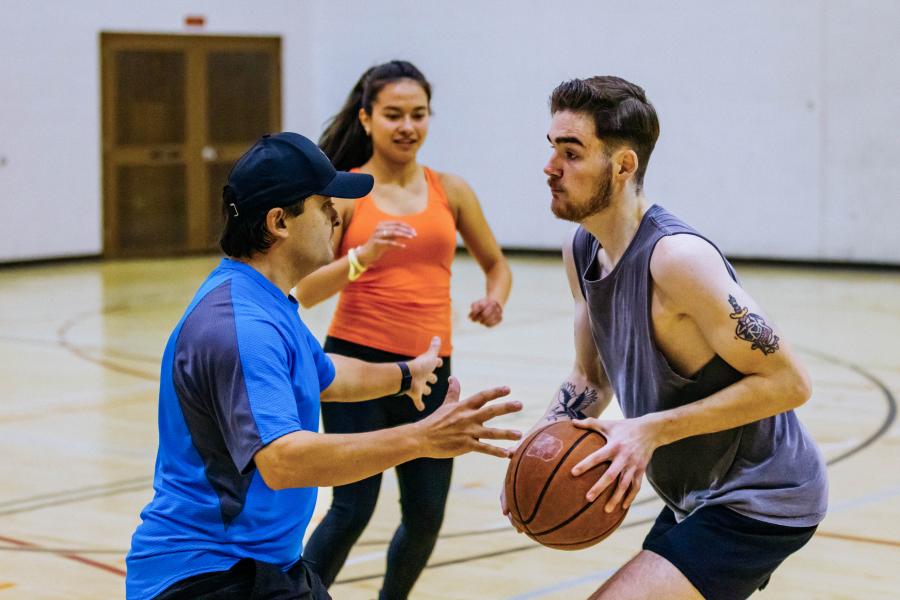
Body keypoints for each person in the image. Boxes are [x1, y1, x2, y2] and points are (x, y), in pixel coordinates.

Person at [125, 132, 522, 600]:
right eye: (323, 204)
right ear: (279, 222)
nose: (337, 215)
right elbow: (284, 461)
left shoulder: (266, 302)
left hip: (261, 565)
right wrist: (422, 438)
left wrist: (405, 375)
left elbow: (327, 377)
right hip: (207, 575)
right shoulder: (241, 325)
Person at [503, 76, 828, 600]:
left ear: (624, 165)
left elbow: (790, 382)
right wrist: (538, 448)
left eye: (571, 153)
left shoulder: (678, 260)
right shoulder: (581, 249)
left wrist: (649, 430)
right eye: (551, 150)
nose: (550, 168)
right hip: (694, 495)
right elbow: (590, 377)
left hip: (763, 497)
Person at [296, 60, 512, 599]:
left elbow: (496, 264)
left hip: (432, 371)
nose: (407, 126)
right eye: (393, 114)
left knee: (425, 517)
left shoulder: (451, 190)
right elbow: (301, 291)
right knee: (351, 509)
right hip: (354, 368)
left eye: (418, 114)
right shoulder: (344, 195)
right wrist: (360, 259)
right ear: (367, 119)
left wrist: (494, 298)